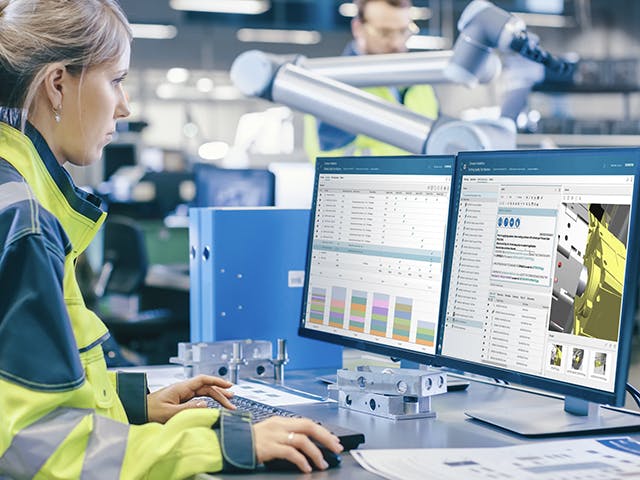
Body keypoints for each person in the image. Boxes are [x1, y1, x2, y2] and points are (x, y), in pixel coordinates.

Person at [0, 0, 342, 477]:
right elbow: (39, 449)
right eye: (115, 80)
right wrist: (225, 443)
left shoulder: (17, 196)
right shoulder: (25, 221)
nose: (124, 106)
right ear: (58, 85)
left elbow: (15, 391)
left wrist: (135, 404)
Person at [306, 0, 439, 159]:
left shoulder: (421, 84)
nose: (396, 43)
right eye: (385, 33)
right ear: (358, 28)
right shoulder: (334, 86)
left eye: (403, 31)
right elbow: (327, 159)